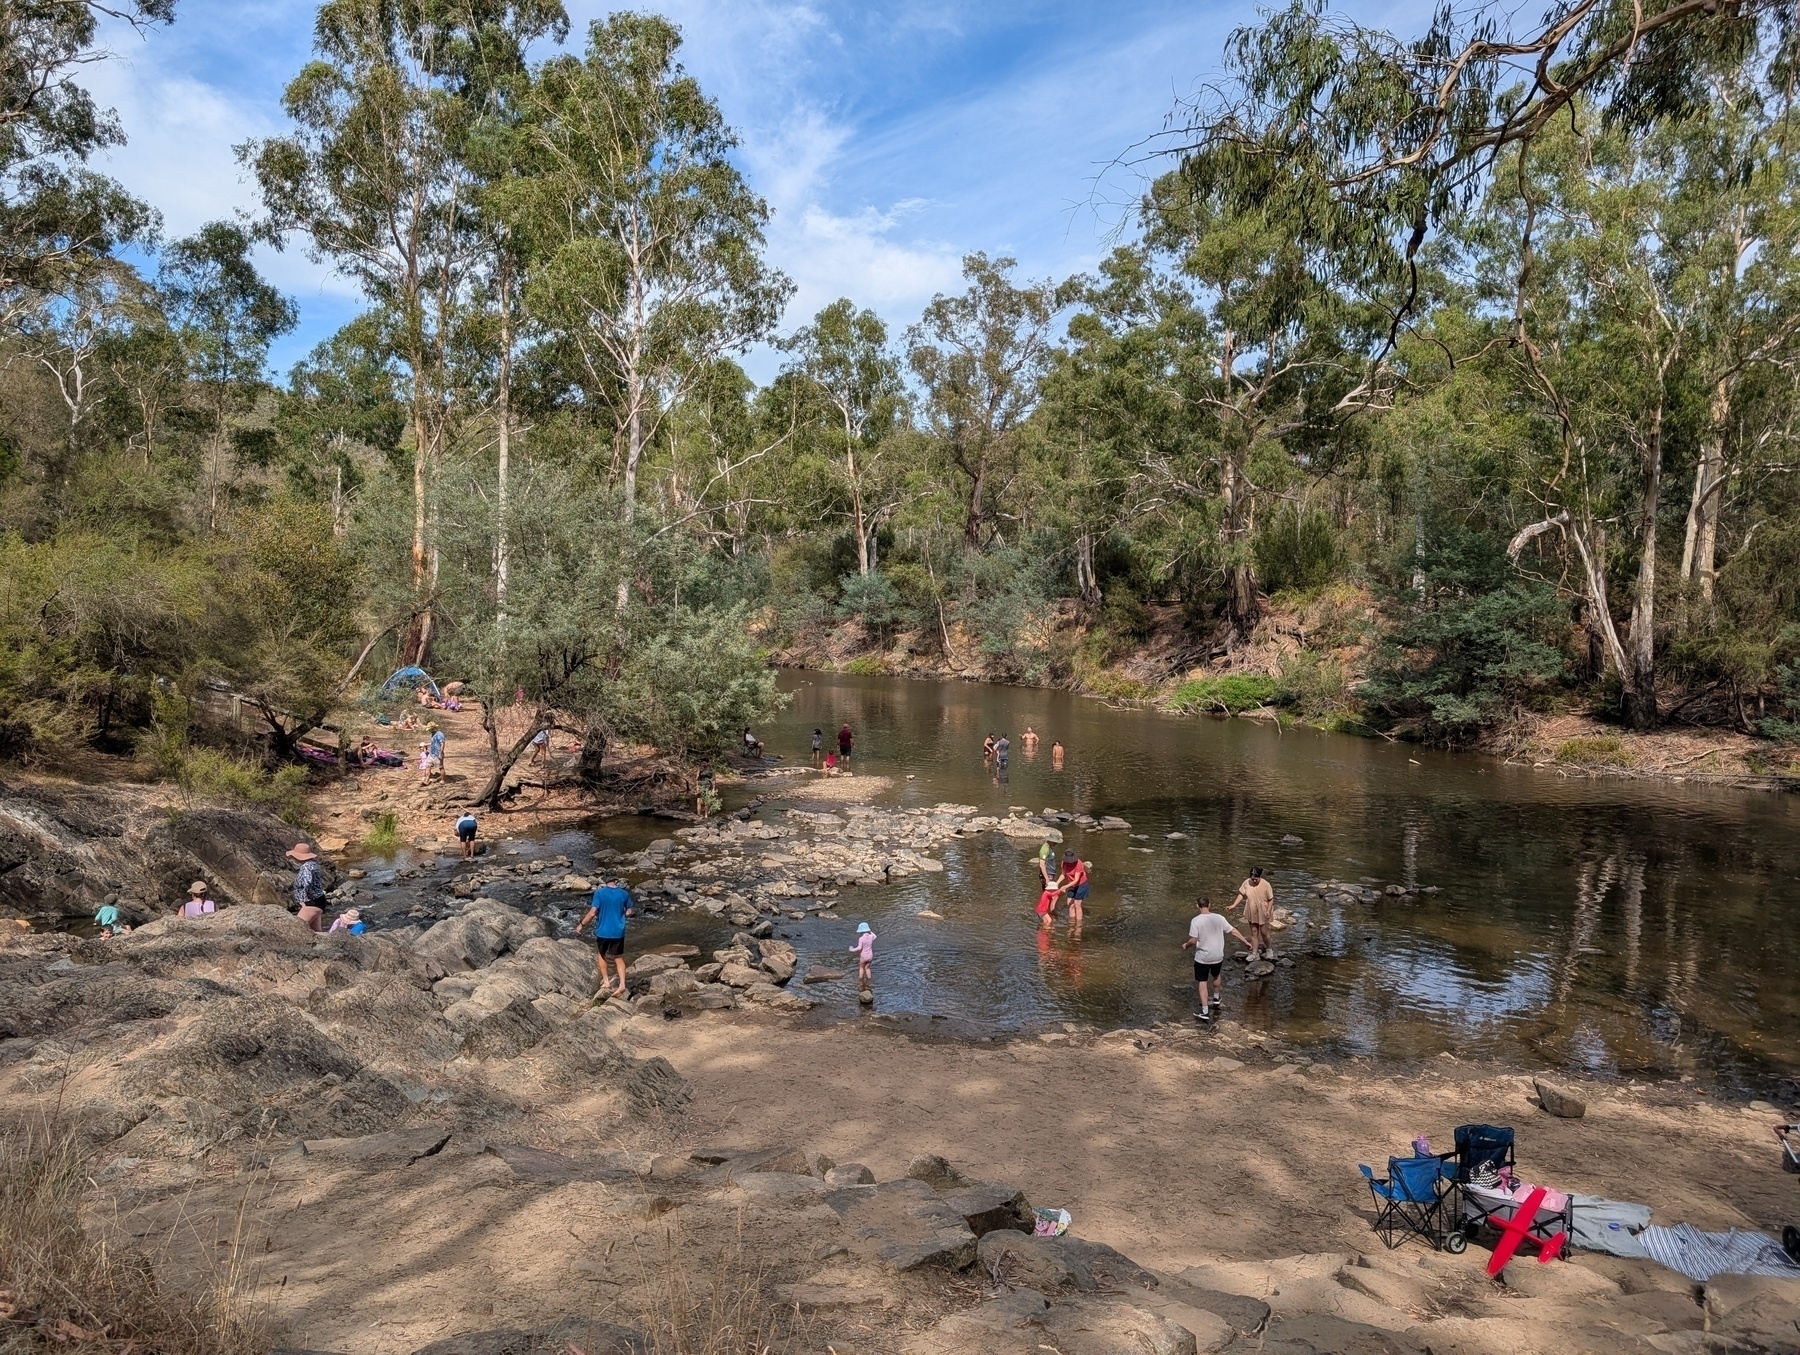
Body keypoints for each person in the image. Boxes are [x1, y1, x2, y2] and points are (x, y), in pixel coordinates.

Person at [1182, 896, 1249, 1023]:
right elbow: (1233, 931)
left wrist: (1186, 945)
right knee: (1216, 975)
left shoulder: (1196, 920)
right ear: (1209, 905)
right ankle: (1217, 998)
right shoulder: (1219, 918)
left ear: (1197, 906)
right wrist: (1245, 942)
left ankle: (1205, 1012)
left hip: (1203, 957)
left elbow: (1194, 939)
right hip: (1218, 955)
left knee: (1202, 981)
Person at [580, 876, 635, 999]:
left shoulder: (599, 893)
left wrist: (581, 925)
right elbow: (629, 911)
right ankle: (622, 984)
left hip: (603, 931)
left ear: (605, 881)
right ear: (616, 880)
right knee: (618, 957)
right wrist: (623, 913)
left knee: (601, 954)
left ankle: (606, 982)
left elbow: (593, 912)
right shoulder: (624, 893)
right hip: (618, 931)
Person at [1231, 866, 1277, 960]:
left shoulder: (1266, 884)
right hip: (1251, 909)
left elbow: (1271, 899)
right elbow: (1241, 894)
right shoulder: (1246, 882)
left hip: (1263, 910)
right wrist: (1234, 905)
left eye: (1256, 879)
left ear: (1260, 876)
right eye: (1252, 879)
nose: (1254, 881)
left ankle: (1269, 949)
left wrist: (1268, 910)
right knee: (1254, 932)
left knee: (1264, 932)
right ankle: (1254, 953)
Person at [287, 842, 326, 931]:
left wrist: (303, 900)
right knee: (317, 932)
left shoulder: (306, 867)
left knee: (297, 929)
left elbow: (307, 883)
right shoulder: (313, 864)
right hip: (319, 900)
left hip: (310, 902)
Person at [1056, 850, 1090, 929]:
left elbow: (1076, 880)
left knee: (1077, 904)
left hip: (1081, 884)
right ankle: (1072, 923)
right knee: (1070, 904)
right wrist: (1057, 883)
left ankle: (1078, 925)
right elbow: (1063, 874)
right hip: (1071, 884)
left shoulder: (1079, 864)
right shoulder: (1064, 863)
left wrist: (1065, 886)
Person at [850, 921, 876, 988]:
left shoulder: (861, 938)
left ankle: (860, 980)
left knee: (861, 968)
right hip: (870, 956)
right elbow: (875, 936)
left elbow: (859, 947)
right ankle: (869, 980)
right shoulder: (871, 936)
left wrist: (852, 949)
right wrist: (870, 931)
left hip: (863, 956)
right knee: (867, 968)